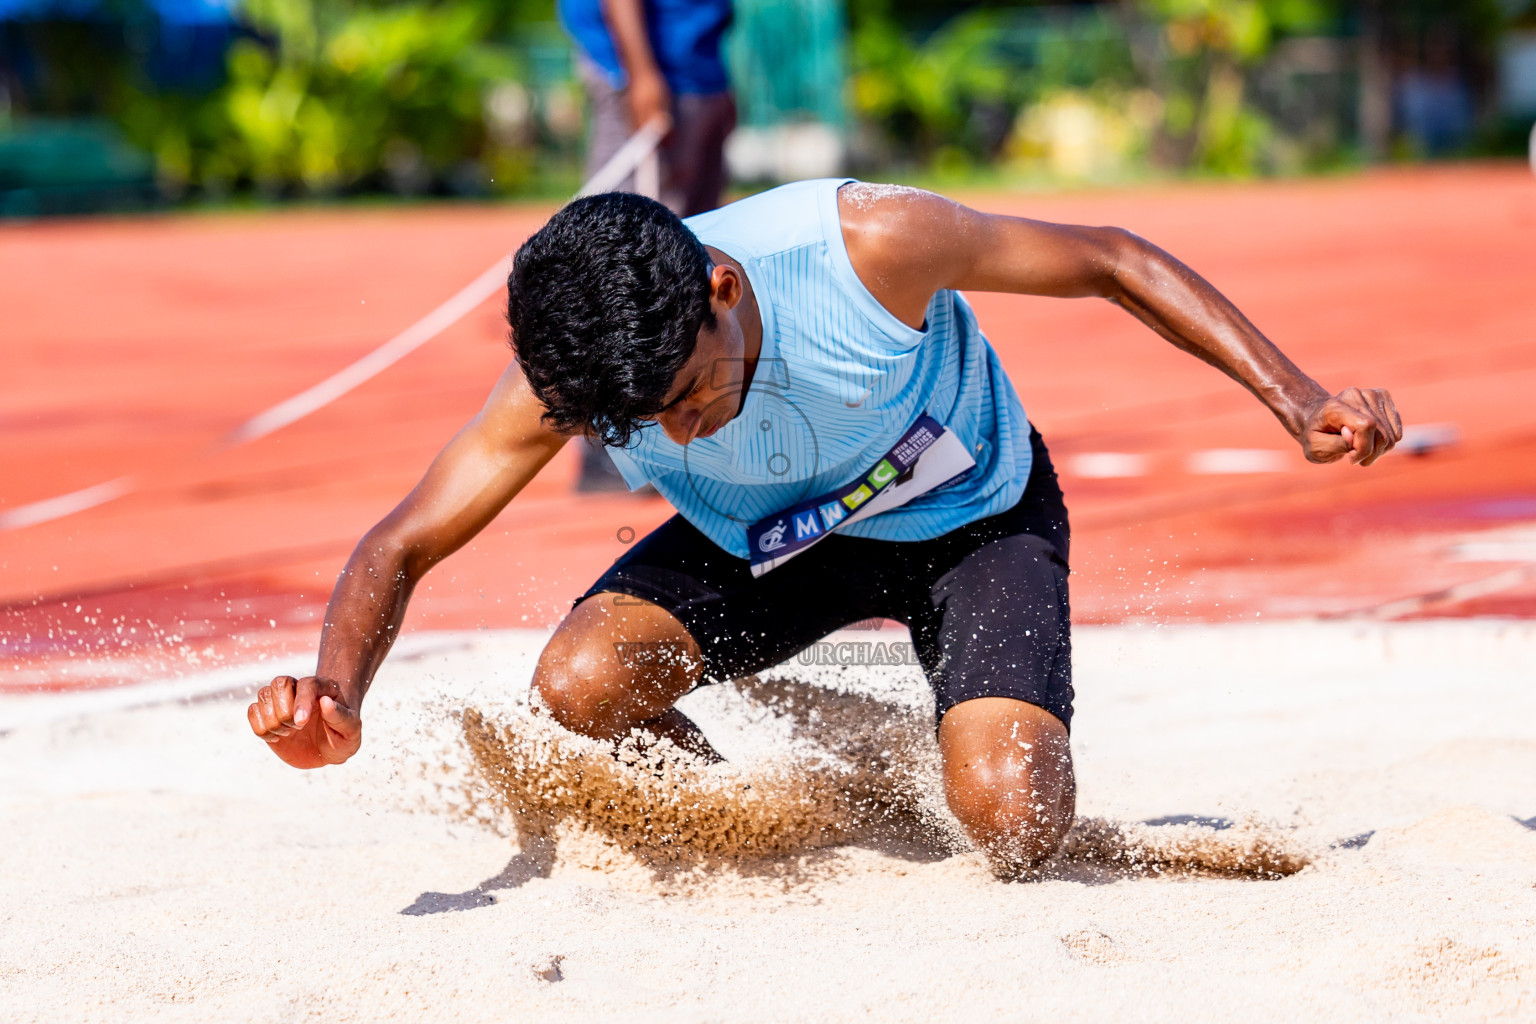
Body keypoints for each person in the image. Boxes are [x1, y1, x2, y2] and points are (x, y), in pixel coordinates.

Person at [247, 181, 1402, 877]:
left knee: (1011, 818)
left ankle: (956, 728)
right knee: (578, 687)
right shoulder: (578, 375)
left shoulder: (866, 247)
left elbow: (1109, 256)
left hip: (968, 515)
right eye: (649, 424)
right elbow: (401, 541)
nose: (684, 434)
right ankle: (793, 793)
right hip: (766, 544)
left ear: (724, 288)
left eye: (693, 394)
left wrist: (1297, 399)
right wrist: (338, 695)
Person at [561, 0, 738, 492]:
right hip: (645, 72)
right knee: (618, 264)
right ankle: (608, 449)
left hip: (695, 68)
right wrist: (642, 74)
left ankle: (683, 446)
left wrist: (716, 81)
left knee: (694, 261)